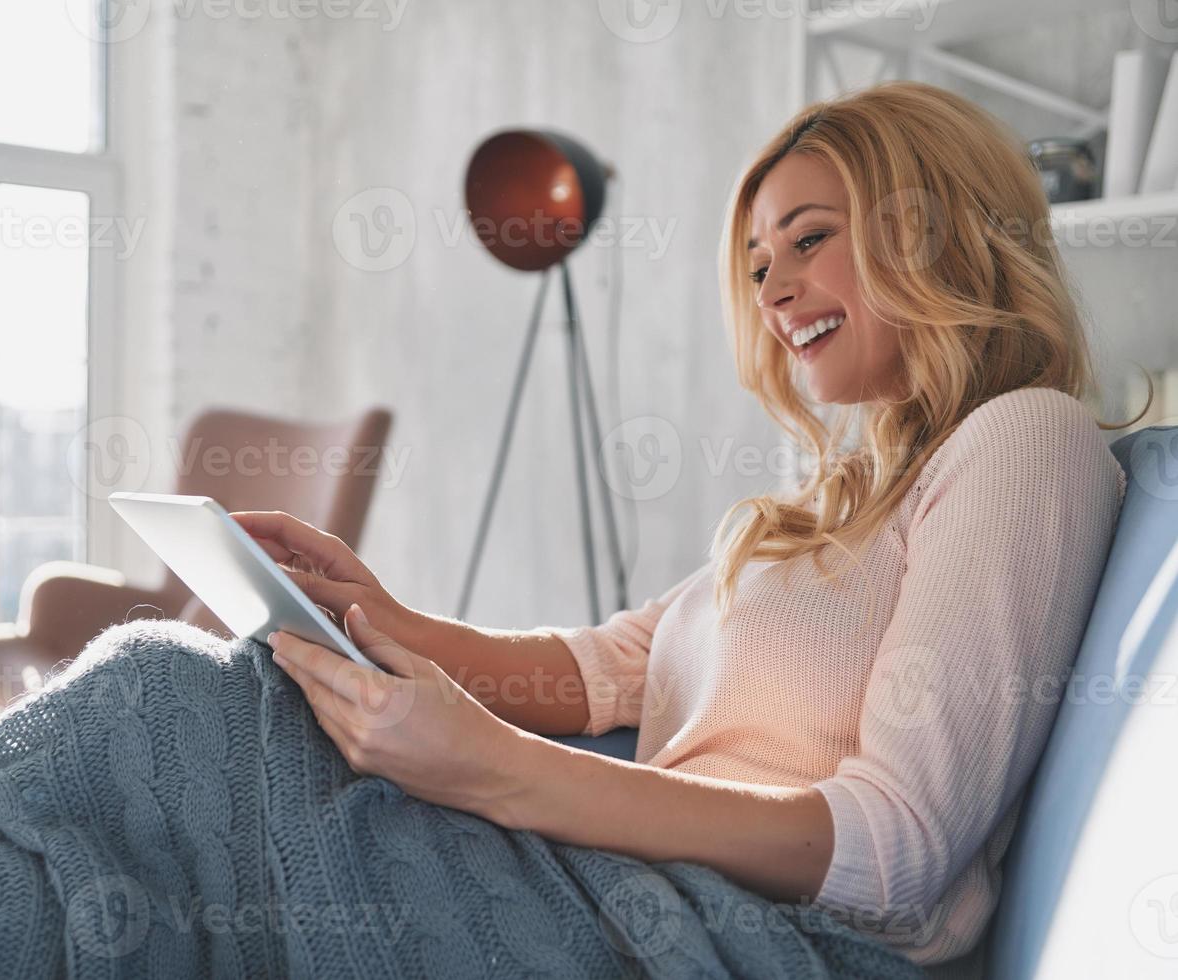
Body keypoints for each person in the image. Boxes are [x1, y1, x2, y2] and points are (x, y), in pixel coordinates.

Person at [230, 80, 1135, 976]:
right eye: (756, 267)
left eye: (809, 240)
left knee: (186, 723)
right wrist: (372, 618)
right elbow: (608, 667)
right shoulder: (848, 495)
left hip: (749, 941)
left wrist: (494, 770)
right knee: (225, 695)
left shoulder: (1022, 440)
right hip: (637, 893)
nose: (774, 292)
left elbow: (894, 854)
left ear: (935, 233)